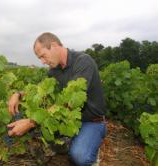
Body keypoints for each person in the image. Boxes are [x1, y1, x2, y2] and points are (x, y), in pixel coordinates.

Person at [7, 32, 107, 166]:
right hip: (66, 120)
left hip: (91, 121)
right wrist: (18, 94)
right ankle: (71, 140)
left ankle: (90, 151)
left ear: (53, 45)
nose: (42, 62)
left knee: (79, 156)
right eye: (39, 59)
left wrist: (31, 122)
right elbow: (42, 90)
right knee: (42, 131)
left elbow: (70, 103)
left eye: (43, 56)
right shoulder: (54, 70)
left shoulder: (83, 62)